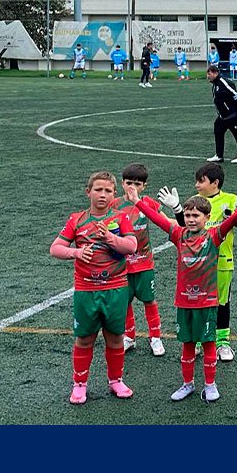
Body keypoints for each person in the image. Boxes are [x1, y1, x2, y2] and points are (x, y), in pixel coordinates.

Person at [137, 184, 237, 402]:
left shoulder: (215, 235)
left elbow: (234, 220)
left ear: (207, 217)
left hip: (206, 303)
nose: (190, 219)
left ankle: (210, 384)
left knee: (208, 345)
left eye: (195, 215)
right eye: (187, 215)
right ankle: (187, 384)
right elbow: (157, 219)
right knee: (187, 345)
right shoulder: (178, 235)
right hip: (184, 303)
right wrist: (136, 201)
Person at [49, 171, 139, 404]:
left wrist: (110, 238)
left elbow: (131, 246)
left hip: (116, 288)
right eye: (98, 190)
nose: (103, 194)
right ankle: (79, 385)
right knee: (84, 339)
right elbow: (56, 248)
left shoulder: (120, 218)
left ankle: (116, 381)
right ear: (88, 192)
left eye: (108, 190)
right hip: (86, 290)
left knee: (115, 337)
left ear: (114, 194)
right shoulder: (77, 219)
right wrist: (76, 252)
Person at [172, 162, 237, 361]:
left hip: (223, 261)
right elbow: (184, 228)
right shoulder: (195, 201)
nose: (197, 185)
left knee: (222, 302)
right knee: (198, 302)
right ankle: (198, 340)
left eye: (201, 181)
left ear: (214, 183)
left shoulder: (231, 199)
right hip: (198, 264)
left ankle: (223, 343)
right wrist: (178, 210)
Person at [116, 164, 165, 357]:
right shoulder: (114, 204)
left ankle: (156, 337)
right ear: (122, 183)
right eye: (129, 183)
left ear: (144, 186)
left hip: (145, 263)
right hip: (121, 265)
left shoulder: (147, 203)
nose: (132, 187)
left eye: (137, 184)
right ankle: (129, 337)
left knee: (149, 301)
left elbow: (165, 222)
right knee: (124, 302)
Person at [206, 65, 237, 164]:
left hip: (233, 114)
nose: (208, 76)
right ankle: (219, 156)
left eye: (209, 74)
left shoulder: (224, 82)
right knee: (218, 129)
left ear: (215, 73)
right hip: (224, 116)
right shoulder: (215, 84)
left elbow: (236, 95)